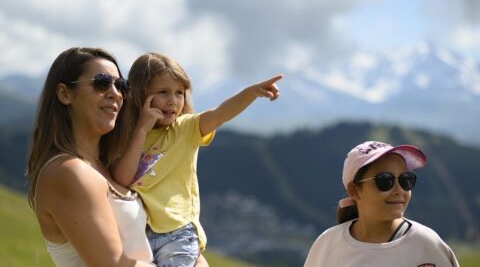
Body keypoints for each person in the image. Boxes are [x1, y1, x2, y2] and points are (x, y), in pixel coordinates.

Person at [111, 52, 281, 266]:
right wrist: (142, 130)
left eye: (180, 93)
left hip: (178, 234)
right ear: (139, 94)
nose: (173, 101)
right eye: (163, 92)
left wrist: (251, 93)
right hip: (139, 235)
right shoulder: (126, 136)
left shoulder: (186, 129)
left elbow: (220, 113)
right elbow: (123, 179)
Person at [26, 47, 154, 266]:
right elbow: (113, 264)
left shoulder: (108, 167)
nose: (115, 93)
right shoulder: (68, 171)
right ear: (65, 94)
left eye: (121, 86)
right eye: (102, 83)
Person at [304, 141, 459, 266]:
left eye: (406, 180)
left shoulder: (428, 244)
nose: (399, 190)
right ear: (354, 191)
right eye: (385, 180)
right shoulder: (327, 244)